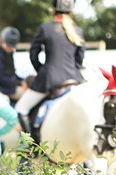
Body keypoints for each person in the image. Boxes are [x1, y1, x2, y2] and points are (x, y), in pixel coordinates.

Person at [14, 0, 85, 139]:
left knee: (21, 109)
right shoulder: (78, 31)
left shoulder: (45, 28)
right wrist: (73, 70)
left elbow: (33, 53)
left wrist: (42, 71)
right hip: (74, 80)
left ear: (53, 11)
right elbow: (80, 58)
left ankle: (31, 146)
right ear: (71, 12)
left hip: (50, 79)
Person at [0, 27, 27, 100]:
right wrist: (18, 82)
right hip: (5, 89)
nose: (11, 48)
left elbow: (12, 73)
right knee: (26, 96)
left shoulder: (9, 54)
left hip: (12, 86)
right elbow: (0, 78)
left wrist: (23, 80)